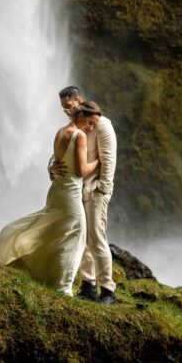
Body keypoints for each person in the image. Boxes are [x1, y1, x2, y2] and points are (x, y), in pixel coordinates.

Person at [0, 102, 102, 296]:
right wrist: (100, 160)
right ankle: (63, 288)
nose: (91, 128)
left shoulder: (61, 132)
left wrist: (51, 169)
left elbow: (56, 162)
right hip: (70, 194)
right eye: (90, 122)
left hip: (56, 190)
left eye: (94, 125)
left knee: (52, 231)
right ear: (80, 116)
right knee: (76, 236)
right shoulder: (79, 136)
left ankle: (41, 272)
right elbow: (81, 171)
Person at [53, 86, 118, 305]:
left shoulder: (102, 125)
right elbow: (59, 155)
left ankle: (108, 290)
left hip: (95, 190)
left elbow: (108, 159)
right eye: (63, 107)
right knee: (84, 237)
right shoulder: (73, 127)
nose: (65, 111)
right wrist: (51, 169)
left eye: (68, 106)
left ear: (79, 101)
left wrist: (102, 188)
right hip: (77, 189)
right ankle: (89, 285)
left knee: (97, 237)